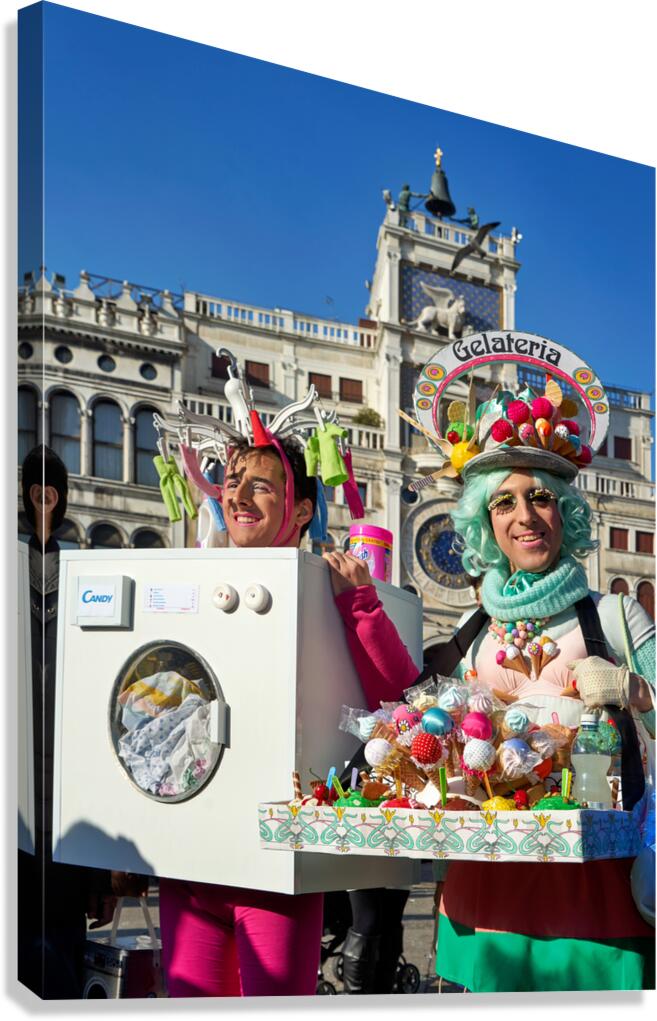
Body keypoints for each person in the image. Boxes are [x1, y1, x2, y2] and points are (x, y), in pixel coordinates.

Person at [409, 346, 656, 992]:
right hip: (481, 906)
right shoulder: (470, 634)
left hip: (598, 904)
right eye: (504, 503)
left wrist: (634, 689)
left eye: (540, 497)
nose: (524, 516)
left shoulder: (616, 615)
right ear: (485, 522)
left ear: (564, 511)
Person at [159, 434, 418, 997]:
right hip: (189, 865)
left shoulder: (331, 585)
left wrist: (360, 604)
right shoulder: (192, 584)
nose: (238, 496)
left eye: (260, 486)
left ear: (301, 510)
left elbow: (400, 698)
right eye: (231, 483)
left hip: (277, 870)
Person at [18, 446, 117, 998]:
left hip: (63, 827)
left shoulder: (80, 580)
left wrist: (101, 872)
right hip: (32, 820)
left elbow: (95, 727)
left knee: (56, 973)